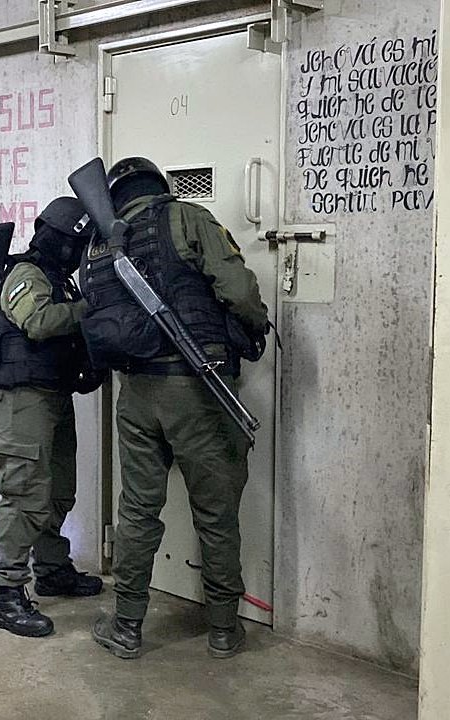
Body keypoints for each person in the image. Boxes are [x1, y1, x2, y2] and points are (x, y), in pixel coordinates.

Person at [83, 157, 269, 660]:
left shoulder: (98, 246)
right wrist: (254, 328)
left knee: (137, 510)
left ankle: (126, 626)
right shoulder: (186, 217)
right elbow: (239, 291)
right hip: (196, 389)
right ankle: (224, 628)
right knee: (215, 509)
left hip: (135, 394)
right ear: (157, 185)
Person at [0, 197, 104, 638]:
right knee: (24, 494)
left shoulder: (60, 281)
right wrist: (91, 310)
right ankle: (7, 594)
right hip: (23, 401)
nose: (77, 254)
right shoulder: (25, 274)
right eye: (75, 244)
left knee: (57, 491)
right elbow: (37, 321)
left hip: (53, 394)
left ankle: (52, 569)